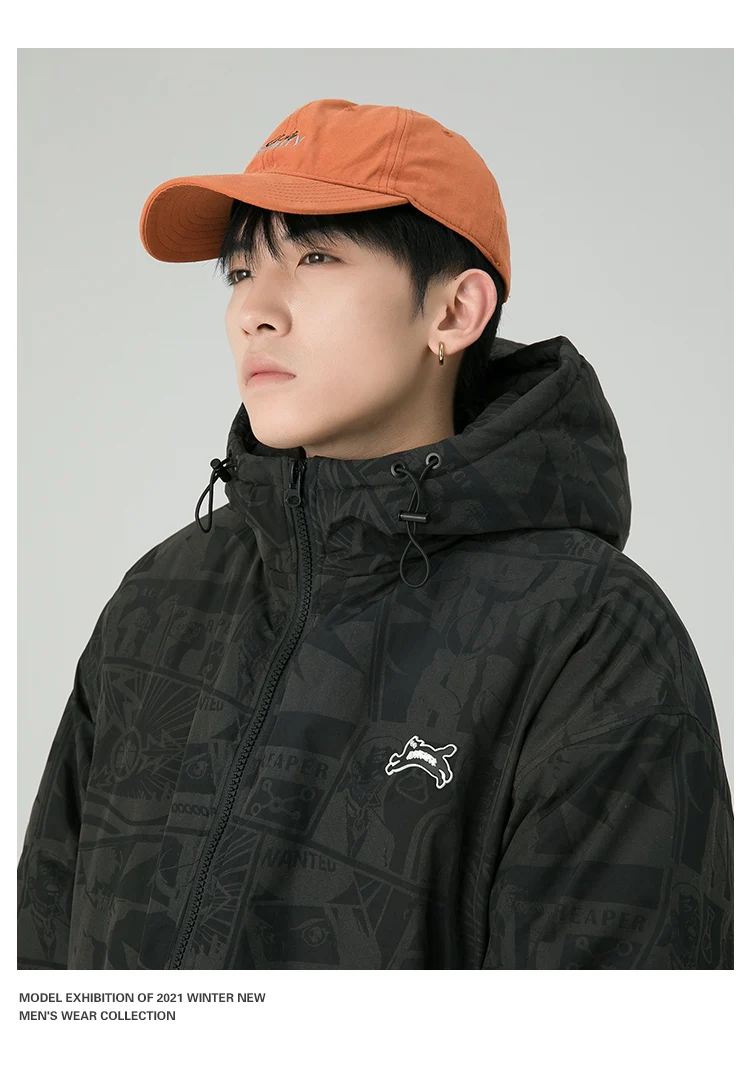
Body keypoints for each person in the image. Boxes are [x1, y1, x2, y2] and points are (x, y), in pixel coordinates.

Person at [17, 98, 733, 970]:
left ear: (455, 312)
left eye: (315, 257)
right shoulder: (158, 603)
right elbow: (41, 967)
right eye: (240, 270)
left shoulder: (591, 636)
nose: (254, 311)